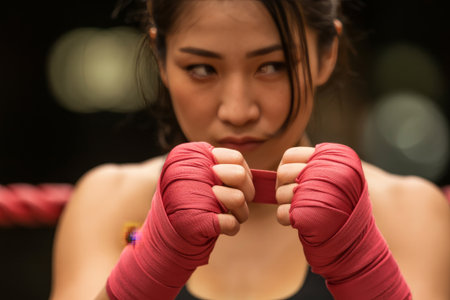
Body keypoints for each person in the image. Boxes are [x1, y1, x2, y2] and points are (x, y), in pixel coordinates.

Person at [50, 0, 450, 299]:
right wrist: (149, 263)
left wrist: (361, 265)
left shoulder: (408, 212)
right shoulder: (108, 203)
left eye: (272, 65)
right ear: (161, 58)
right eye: (202, 69)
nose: (238, 110)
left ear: (326, 54)